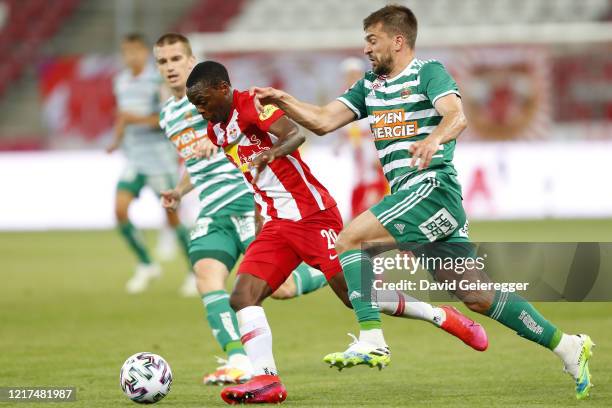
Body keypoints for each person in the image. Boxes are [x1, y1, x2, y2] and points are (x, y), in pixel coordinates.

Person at [252, 4, 594, 400]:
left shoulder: (428, 72)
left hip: (431, 188)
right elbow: (324, 121)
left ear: (397, 41)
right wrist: (282, 99)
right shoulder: (370, 87)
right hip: (418, 198)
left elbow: (456, 116)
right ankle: (568, 345)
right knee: (477, 296)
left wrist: (434, 139)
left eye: (372, 40)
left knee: (350, 239)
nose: (366, 49)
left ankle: (372, 338)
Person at [185, 60, 488, 405]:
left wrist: (272, 152)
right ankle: (266, 379)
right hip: (277, 224)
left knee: (355, 295)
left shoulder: (250, 106)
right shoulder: (216, 131)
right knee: (242, 297)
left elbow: (294, 134)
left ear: (223, 89)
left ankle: (441, 316)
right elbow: (254, 179)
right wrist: (259, 219)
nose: (201, 110)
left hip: (312, 215)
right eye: (195, 105)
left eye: (204, 101)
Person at [153, 33, 328, 385]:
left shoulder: (213, 99)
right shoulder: (168, 116)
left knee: (279, 290)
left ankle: (340, 262)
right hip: (212, 208)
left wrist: (219, 128)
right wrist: (180, 190)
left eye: (176, 59)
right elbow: (194, 161)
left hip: (246, 200)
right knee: (207, 277)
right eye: (162, 61)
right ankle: (238, 360)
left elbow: (247, 121)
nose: (170, 67)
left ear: (191, 61)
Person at [106, 33, 194, 296]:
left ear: (145, 53)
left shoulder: (158, 80)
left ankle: (195, 270)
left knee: (172, 216)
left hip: (159, 159)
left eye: (134, 51)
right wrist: (116, 140)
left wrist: (137, 119)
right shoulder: (120, 81)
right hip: (134, 158)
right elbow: (123, 115)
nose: (130, 56)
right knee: (119, 210)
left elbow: (167, 118)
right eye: (125, 51)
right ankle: (146, 263)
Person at [338, 57, 388, 218]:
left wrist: (377, 150)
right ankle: (358, 213)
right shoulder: (344, 96)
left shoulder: (371, 95)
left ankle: (371, 212)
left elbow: (378, 125)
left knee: (372, 177)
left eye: (355, 74)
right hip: (354, 145)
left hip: (368, 144)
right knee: (359, 178)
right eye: (349, 75)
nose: (352, 78)